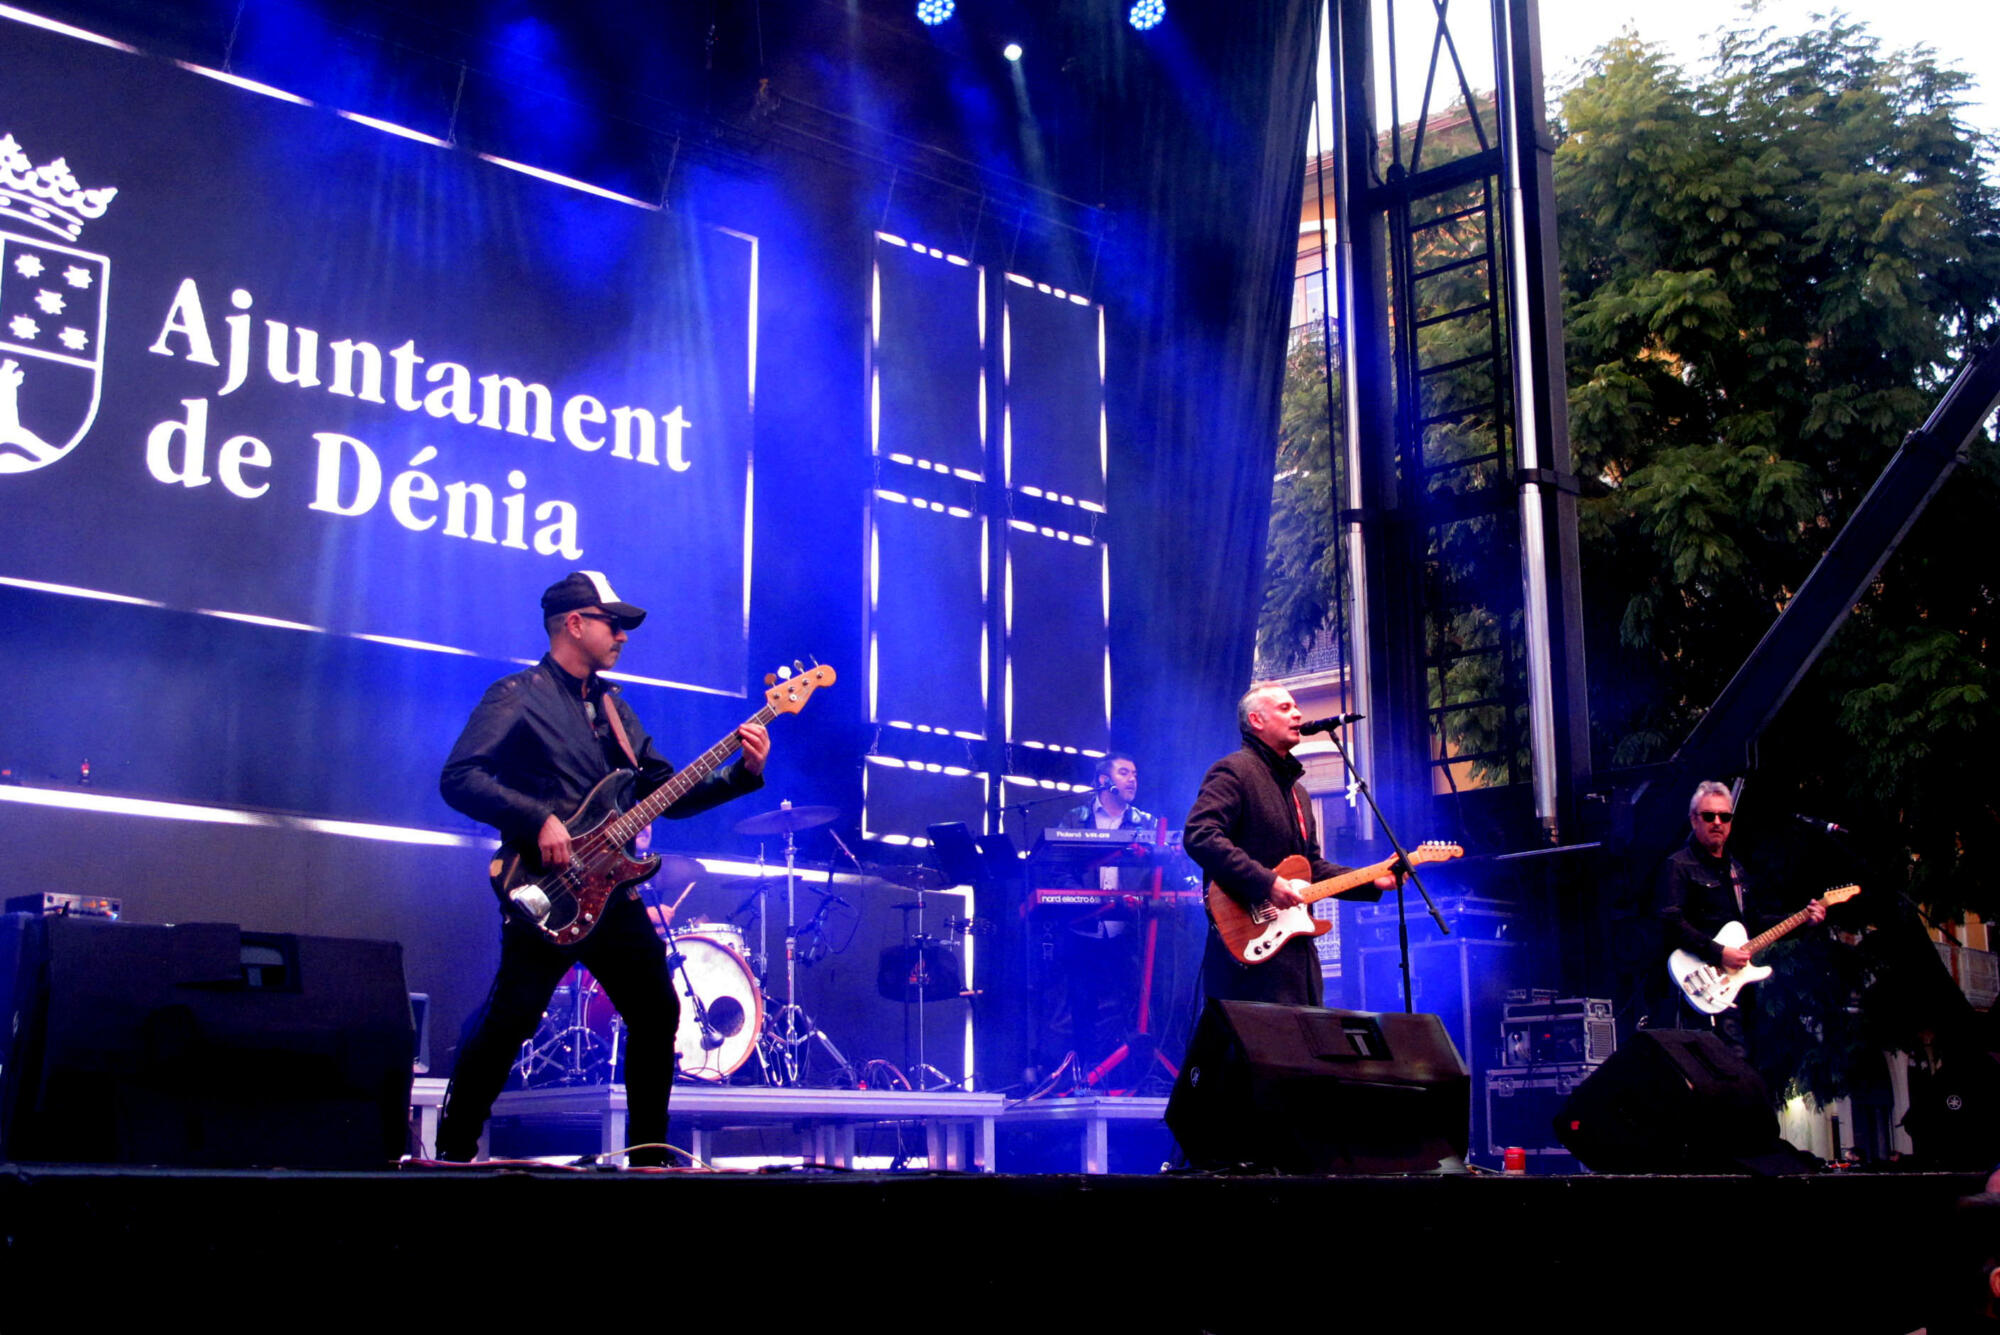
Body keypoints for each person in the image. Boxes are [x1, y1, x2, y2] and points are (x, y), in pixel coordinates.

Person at [434, 571, 769, 1165]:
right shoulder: (517, 695)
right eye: (612, 624)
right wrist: (538, 817)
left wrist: (741, 773)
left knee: (657, 1011)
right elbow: (460, 778)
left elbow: (667, 794)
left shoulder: (615, 708)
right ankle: (452, 1153)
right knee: (512, 1020)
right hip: (547, 889)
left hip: (612, 892)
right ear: (574, 623)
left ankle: (648, 1155)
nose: (622, 636)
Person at [1184, 682, 1390, 1007]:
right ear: (1256, 720)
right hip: (1250, 950)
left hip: (1296, 955)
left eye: (1295, 707)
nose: (1297, 714)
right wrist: (1267, 882)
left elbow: (1312, 868)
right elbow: (1200, 834)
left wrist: (1372, 879)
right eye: (1285, 708)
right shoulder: (1234, 771)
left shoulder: (1299, 793)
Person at [1654, 780, 1823, 1061]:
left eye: (1724, 816)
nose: (1717, 822)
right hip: (1696, 985)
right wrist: (1719, 952)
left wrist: (1804, 920)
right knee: (1715, 1065)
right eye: (1709, 816)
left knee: (1743, 1064)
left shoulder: (1736, 871)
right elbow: (1670, 921)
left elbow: (1753, 922)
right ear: (1694, 820)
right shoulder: (1679, 865)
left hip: (1734, 991)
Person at [1049, 753, 1152, 1069]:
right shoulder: (1074, 819)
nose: (1132, 779)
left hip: (1126, 932)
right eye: (1124, 772)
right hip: (1083, 930)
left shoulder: (1144, 823)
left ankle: (1122, 1076)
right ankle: (1080, 1076)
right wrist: (1084, 901)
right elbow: (1057, 868)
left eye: (1135, 773)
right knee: (1079, 1008)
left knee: (1128, 1007)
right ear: (1104, 781)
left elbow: (1160, 872)